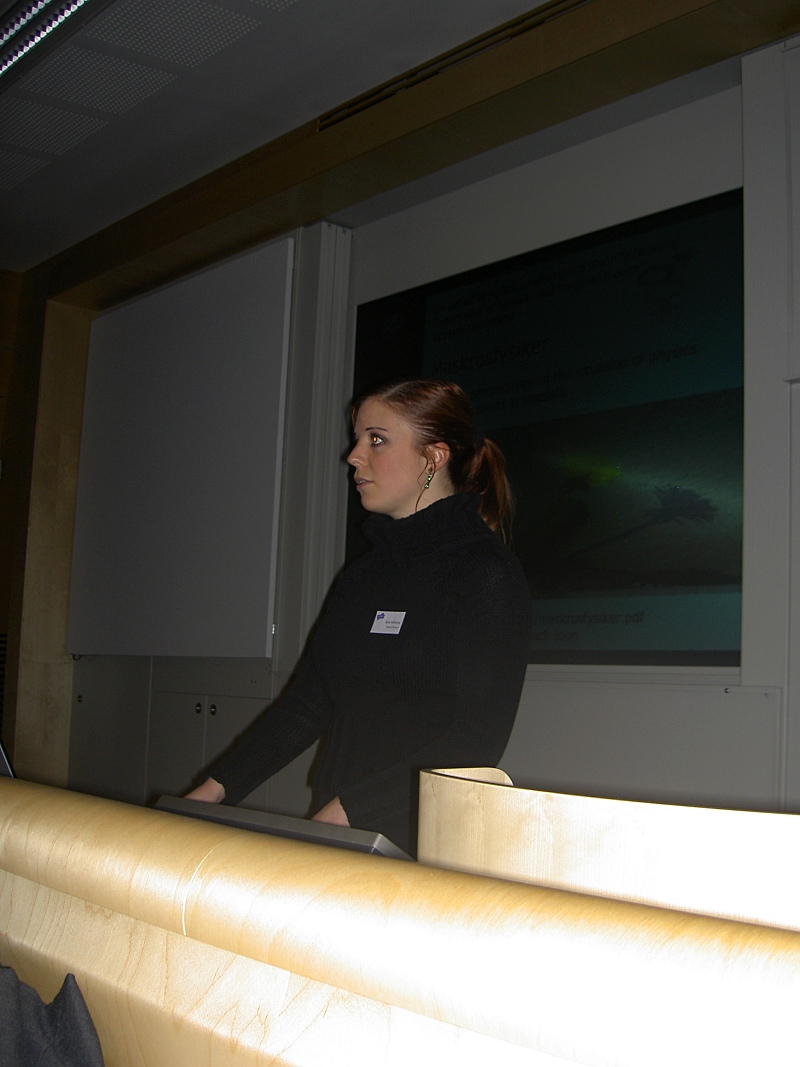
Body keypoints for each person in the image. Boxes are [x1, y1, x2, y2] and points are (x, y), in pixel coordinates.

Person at [187, 378, 531, 854]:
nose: (353, 456)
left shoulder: (485, 573)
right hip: (346, 826)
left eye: (377, 440)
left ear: (433, 458)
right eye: (358, 439)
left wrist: (351, 811)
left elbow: (475, 740)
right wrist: (212, 792)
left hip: (423, 839)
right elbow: (308, 704)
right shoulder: (363, 576)